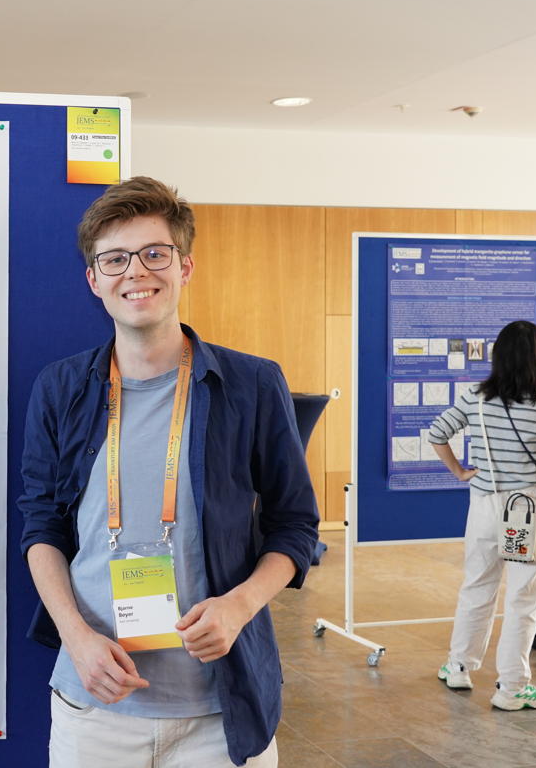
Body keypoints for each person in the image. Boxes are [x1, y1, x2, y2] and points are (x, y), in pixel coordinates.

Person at [17, 176, 319, 767]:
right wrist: (76, 639)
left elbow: (295, 526)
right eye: (115, 259)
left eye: (155, 253)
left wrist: (239, 606)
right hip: (94, 708)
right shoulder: (61, 388)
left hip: (220, 711)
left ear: (185, 267)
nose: (136, 271)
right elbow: (41, 526)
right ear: (94, 280)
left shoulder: (252, 385)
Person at [428, 320, 536, 711]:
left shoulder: (477, 396)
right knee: (524, 600)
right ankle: (512, 687)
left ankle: (459, 666)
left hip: (484, 505)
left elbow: (437, 433)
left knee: (477, 587)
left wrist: (460, 472)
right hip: (528, 509)